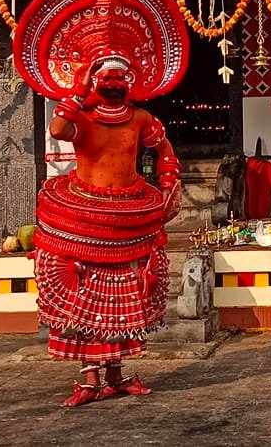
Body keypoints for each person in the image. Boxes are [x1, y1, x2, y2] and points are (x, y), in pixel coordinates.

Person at [38, 57, 181, 407]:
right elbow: (57, 131)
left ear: (130, 81)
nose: (114, 84)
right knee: (86, 298)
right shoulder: (83, 117)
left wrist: (168, 185)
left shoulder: (142, 118)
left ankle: (116, 376)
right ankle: (90, 379)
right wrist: (77, 90)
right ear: (94, 82)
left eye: (120, 78)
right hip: (84, 216)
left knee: (122, 296)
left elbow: (165, 150)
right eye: (107, 78)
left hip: (131, 216)